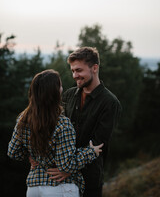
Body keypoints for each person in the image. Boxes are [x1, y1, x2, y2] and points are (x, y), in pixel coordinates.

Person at [7, 69, 104, 197]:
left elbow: (13, 152)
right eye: (60, 85)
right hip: (60, 187)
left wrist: (32, 156)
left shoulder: (23, 119)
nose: (62, 89)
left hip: (34, 188)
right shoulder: (62, 124)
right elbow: (66, 165)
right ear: (54, 93)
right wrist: (91, 152)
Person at [47, 47, 122, 197]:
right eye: (73, 71)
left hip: (89, 180)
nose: (75, 75)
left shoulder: (110, 103)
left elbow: (98, 144)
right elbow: (52, 129)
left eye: (79, 70)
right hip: (60, 177)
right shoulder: (68, 95)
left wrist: (69, 168)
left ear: (94, 68)